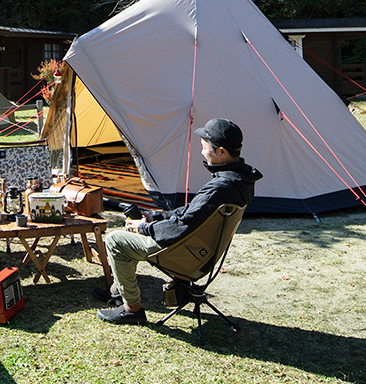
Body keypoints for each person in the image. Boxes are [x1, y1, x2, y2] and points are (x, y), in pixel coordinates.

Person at [96, 117, 262, 325]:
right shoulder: (240, 179)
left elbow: (181, 227)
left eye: (204, 148)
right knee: (133, 227)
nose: (202, 152)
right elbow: (192, 213)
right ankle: (119, 291)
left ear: (221, 152)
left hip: (186, 255)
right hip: (203, 252)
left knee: (115, 240)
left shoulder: (220, 187)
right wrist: (156, 216)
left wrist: (145, 227)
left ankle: (132, 309)